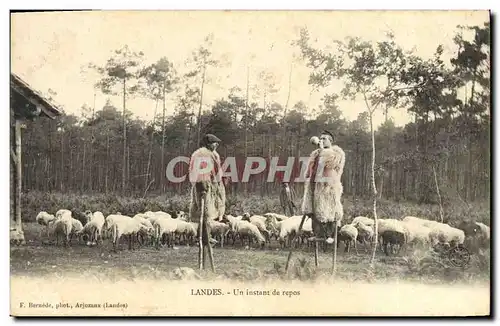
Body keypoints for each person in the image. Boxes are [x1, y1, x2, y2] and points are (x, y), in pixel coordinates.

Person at [301, 130, 346, 244]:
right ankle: (318, 234)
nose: (321, 140)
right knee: (314, 210)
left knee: (329, 210)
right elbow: (311, 168)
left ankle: (329, 235)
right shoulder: (316, 153)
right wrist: (308, 175)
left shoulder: (336, 153)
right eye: (320, 138)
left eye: (324, 139)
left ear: (330, 141)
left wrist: (322, 150)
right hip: (315, 185)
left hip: (328, 186)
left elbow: (331, 163)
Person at [188, 133, 226, 250]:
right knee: (206, 212)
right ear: (209, 144)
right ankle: (204, 236)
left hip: (203, 184)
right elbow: (208, 171)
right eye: (215, 143)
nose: (217, 145)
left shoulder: (202, 154)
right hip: (204, 185)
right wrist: (209, 185)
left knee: (205, 212)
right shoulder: (206, 154)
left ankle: (204, 236)